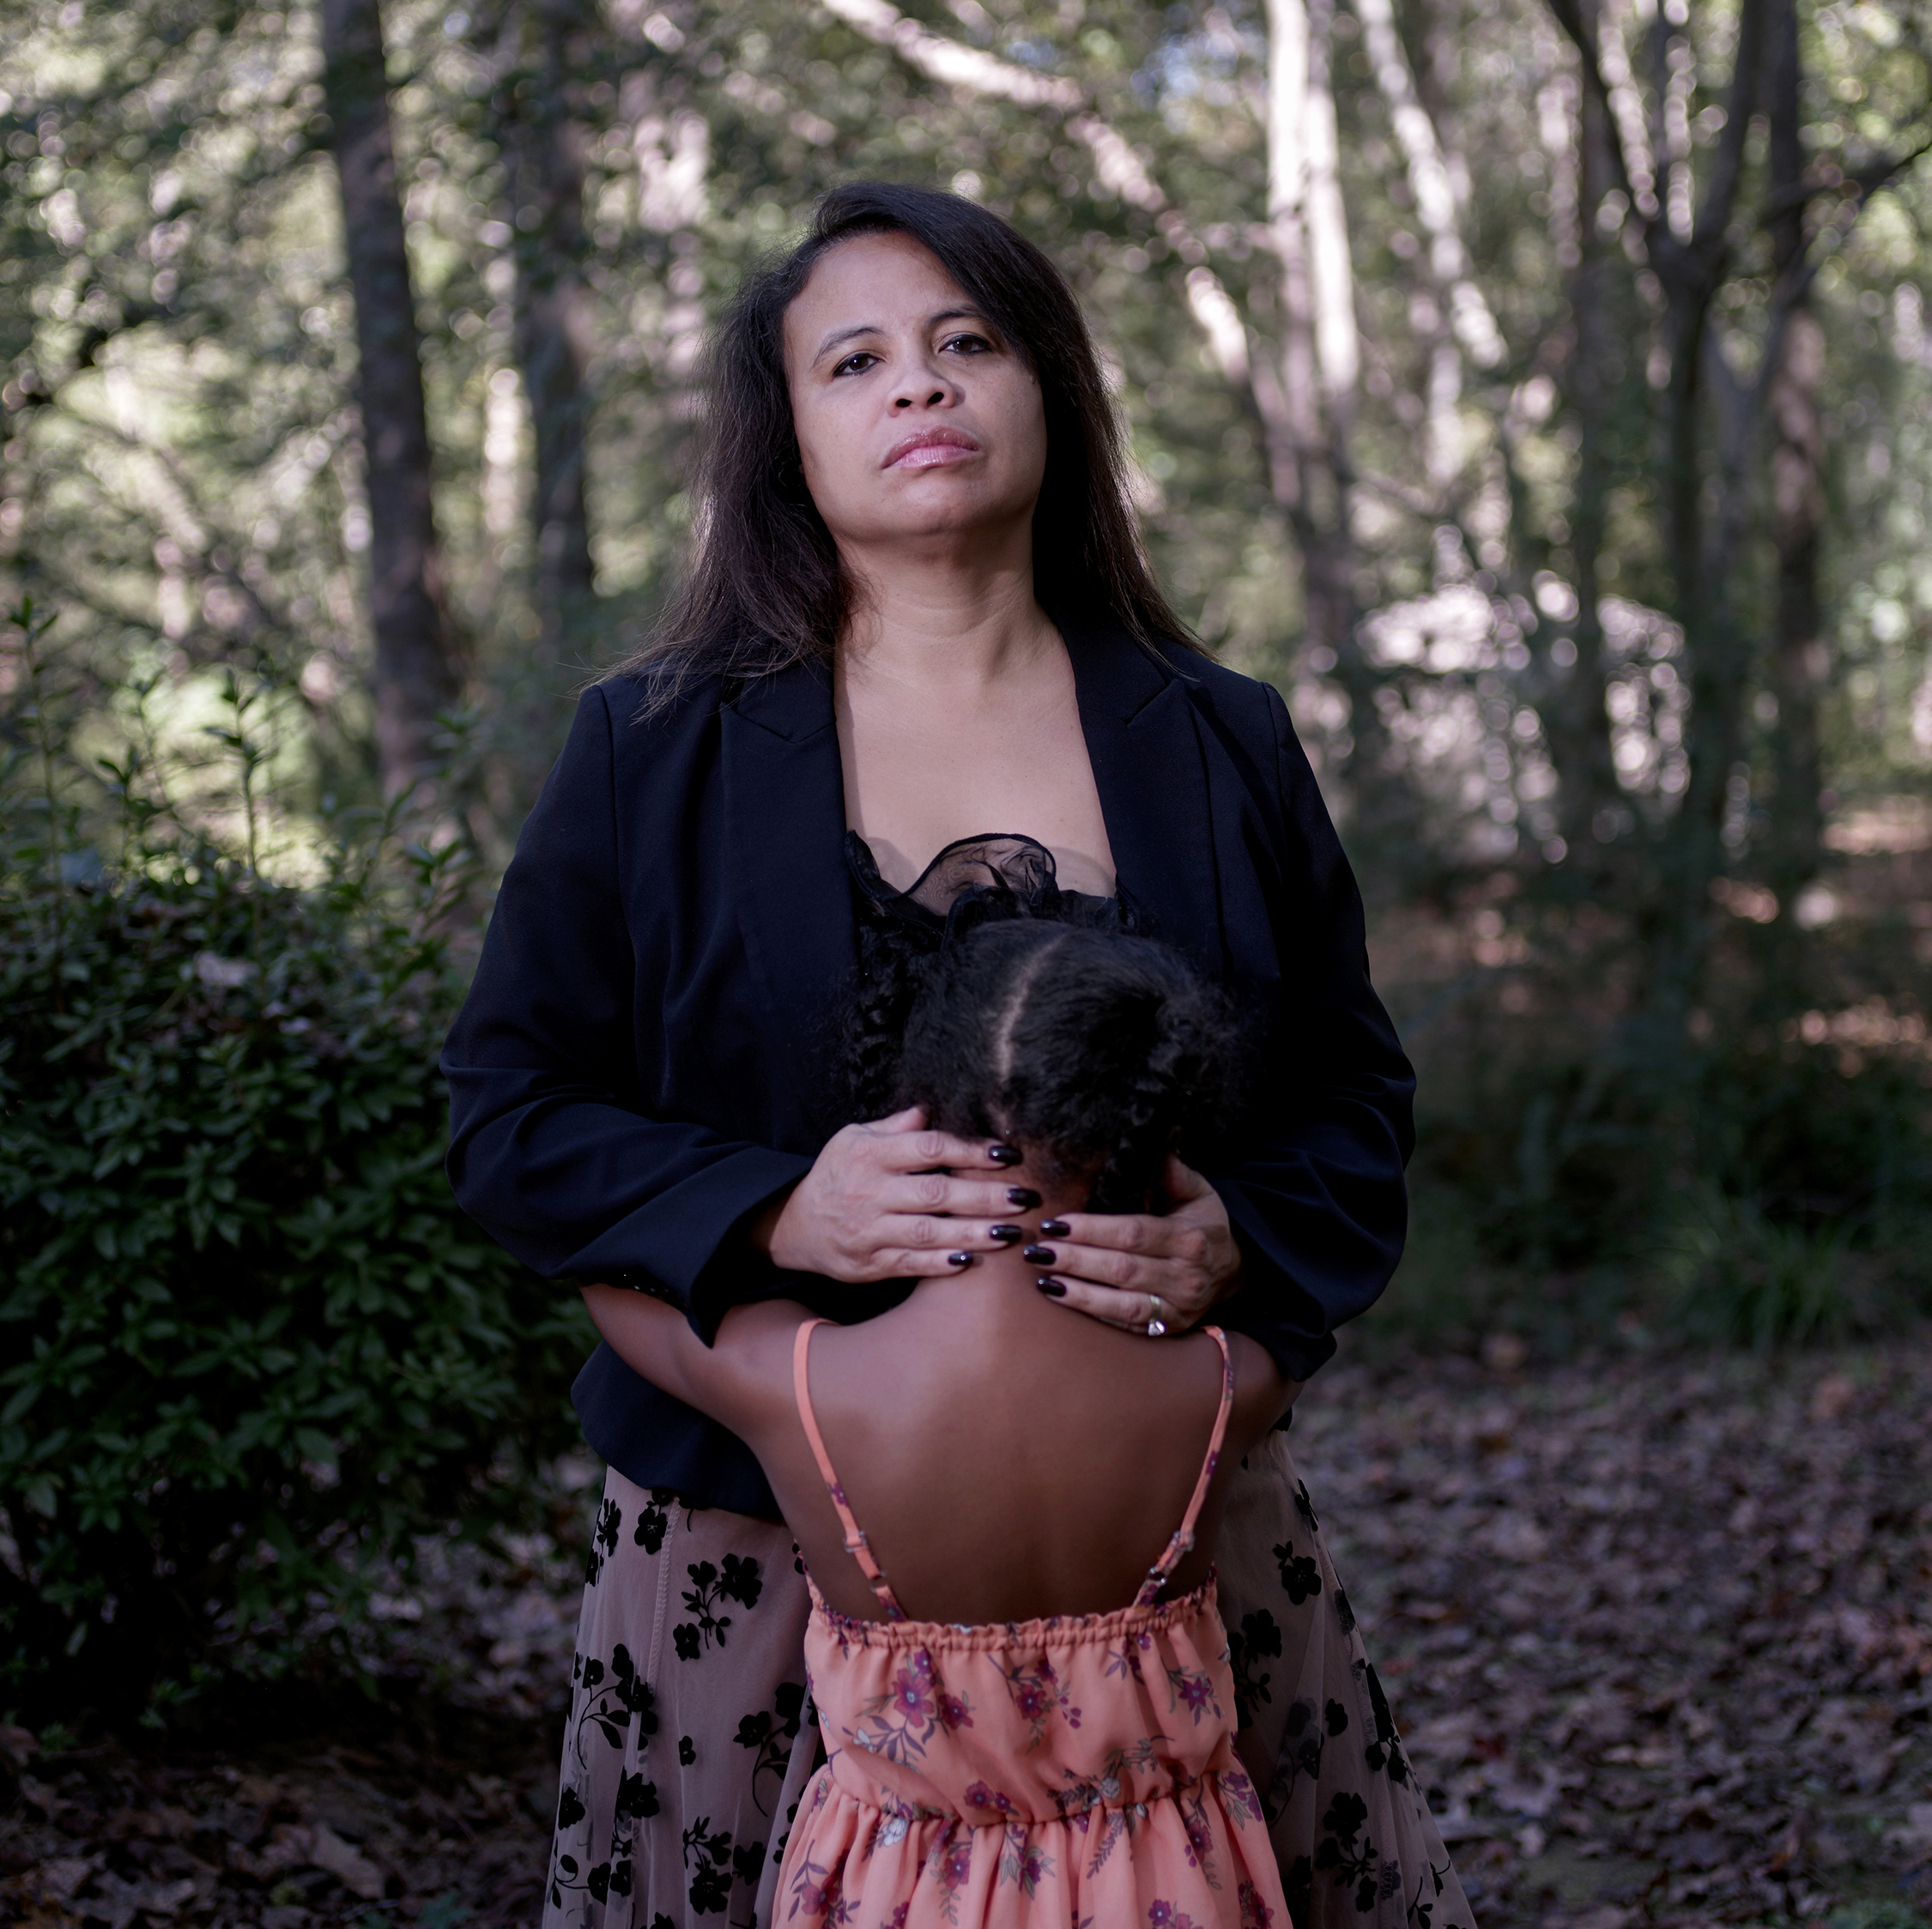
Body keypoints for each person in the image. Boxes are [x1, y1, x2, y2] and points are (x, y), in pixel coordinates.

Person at [443, 181, 1473, 1929]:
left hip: (1160, 1552)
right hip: (743, 1547)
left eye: (964, 340)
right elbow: (507, 1113)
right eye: (852, 360)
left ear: (1045, 386)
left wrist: (1236, 1234)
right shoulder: (651, 746)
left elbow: (1353, 1100)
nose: (916, 383)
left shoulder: (1219, 737)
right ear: (787, 438)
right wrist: (774, 1207)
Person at [580, 916, 1290, 1929]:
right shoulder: (1225, 1384)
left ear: (909, 1111)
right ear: (1159, 1136)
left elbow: (603, 1264)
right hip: (1166, 1885)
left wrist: (776, 1210)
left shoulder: (806, 1388)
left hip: (896, 1893)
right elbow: (1300, 1314)